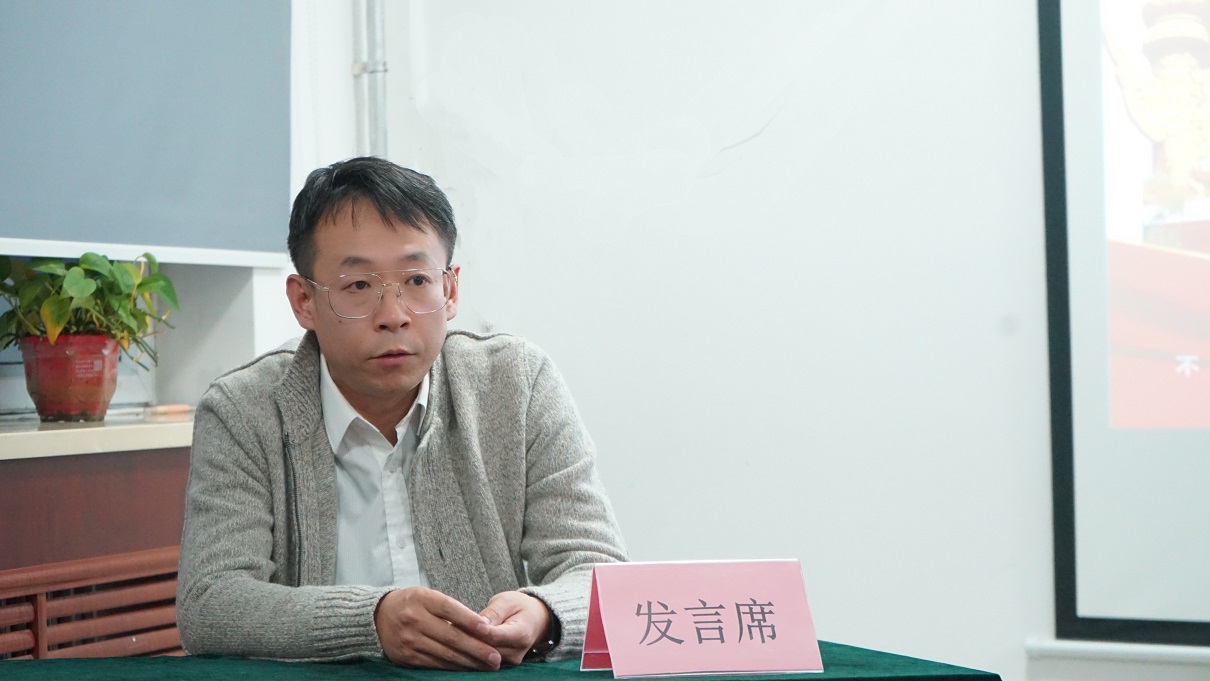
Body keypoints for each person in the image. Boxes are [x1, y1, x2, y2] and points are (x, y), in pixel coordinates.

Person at [176, 156, 627, 671]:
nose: (393, 316)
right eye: (358, 286)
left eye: (416, 280)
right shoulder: (243, 411)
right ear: (304, 302)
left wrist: (544, 613)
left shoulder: (517, 384)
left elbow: (600, 573)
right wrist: (371, 621)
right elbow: (210, 602)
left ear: (449, 290)